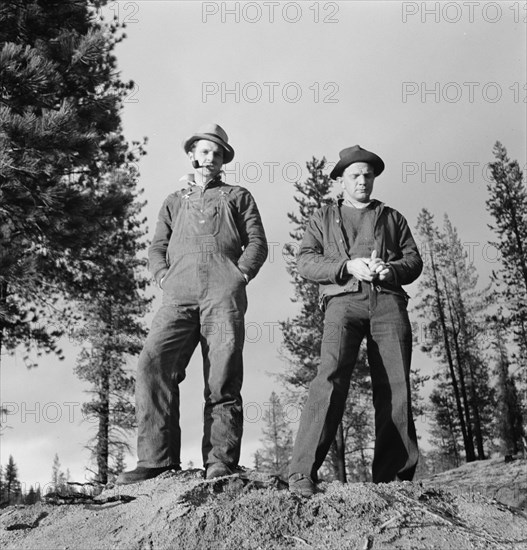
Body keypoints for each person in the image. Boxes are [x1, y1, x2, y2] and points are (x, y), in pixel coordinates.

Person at [117, 124, 268, 484]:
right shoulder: (174, 200)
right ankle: (156, 459)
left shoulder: (237, 195)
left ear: (223, 161)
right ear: (192, 155)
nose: (209, 158)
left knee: (222, 377)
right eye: (203, 152)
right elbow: (156, 247)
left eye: (217, 154)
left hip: (222, 294)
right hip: (178, 295)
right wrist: (163, 277)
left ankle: (220, 461)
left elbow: (258, 243)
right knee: (152, 363)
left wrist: (239, 275)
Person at [288, 145, 423, 497]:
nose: (362, 180)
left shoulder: (391, 217)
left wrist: (389, 269)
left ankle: (393, 478)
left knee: (394, 383)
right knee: (329, 377)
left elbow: (414, 261)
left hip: (388, 303)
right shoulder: (322, 218)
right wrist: (345, 267)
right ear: (341, 180)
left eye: (367, 175)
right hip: (341, 302)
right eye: (355, 175)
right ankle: (302, 472)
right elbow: (304, 261)